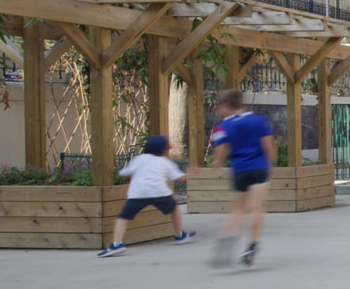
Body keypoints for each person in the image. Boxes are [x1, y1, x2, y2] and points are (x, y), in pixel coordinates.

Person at [208, 89, 276, 267]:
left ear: (225, 106)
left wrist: (216, 162)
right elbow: (268, 146)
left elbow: (220, 154)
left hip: (239, 170)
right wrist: (270, 165)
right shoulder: (259, 121)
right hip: (259, 167)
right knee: (257, 208)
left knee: (237, 209)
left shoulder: (222, 127)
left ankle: (226, 243)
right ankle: (252, 246)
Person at [98, 136, 195, 257]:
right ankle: (179, 235)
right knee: (174, 209)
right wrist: (188, 173)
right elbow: (180, 178)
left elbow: (124, 173)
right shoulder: (165, 162)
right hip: (159, 192)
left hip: (138, 193)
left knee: (123, 217)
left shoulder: (138, 159)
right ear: (163, 150)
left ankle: (117, 244)